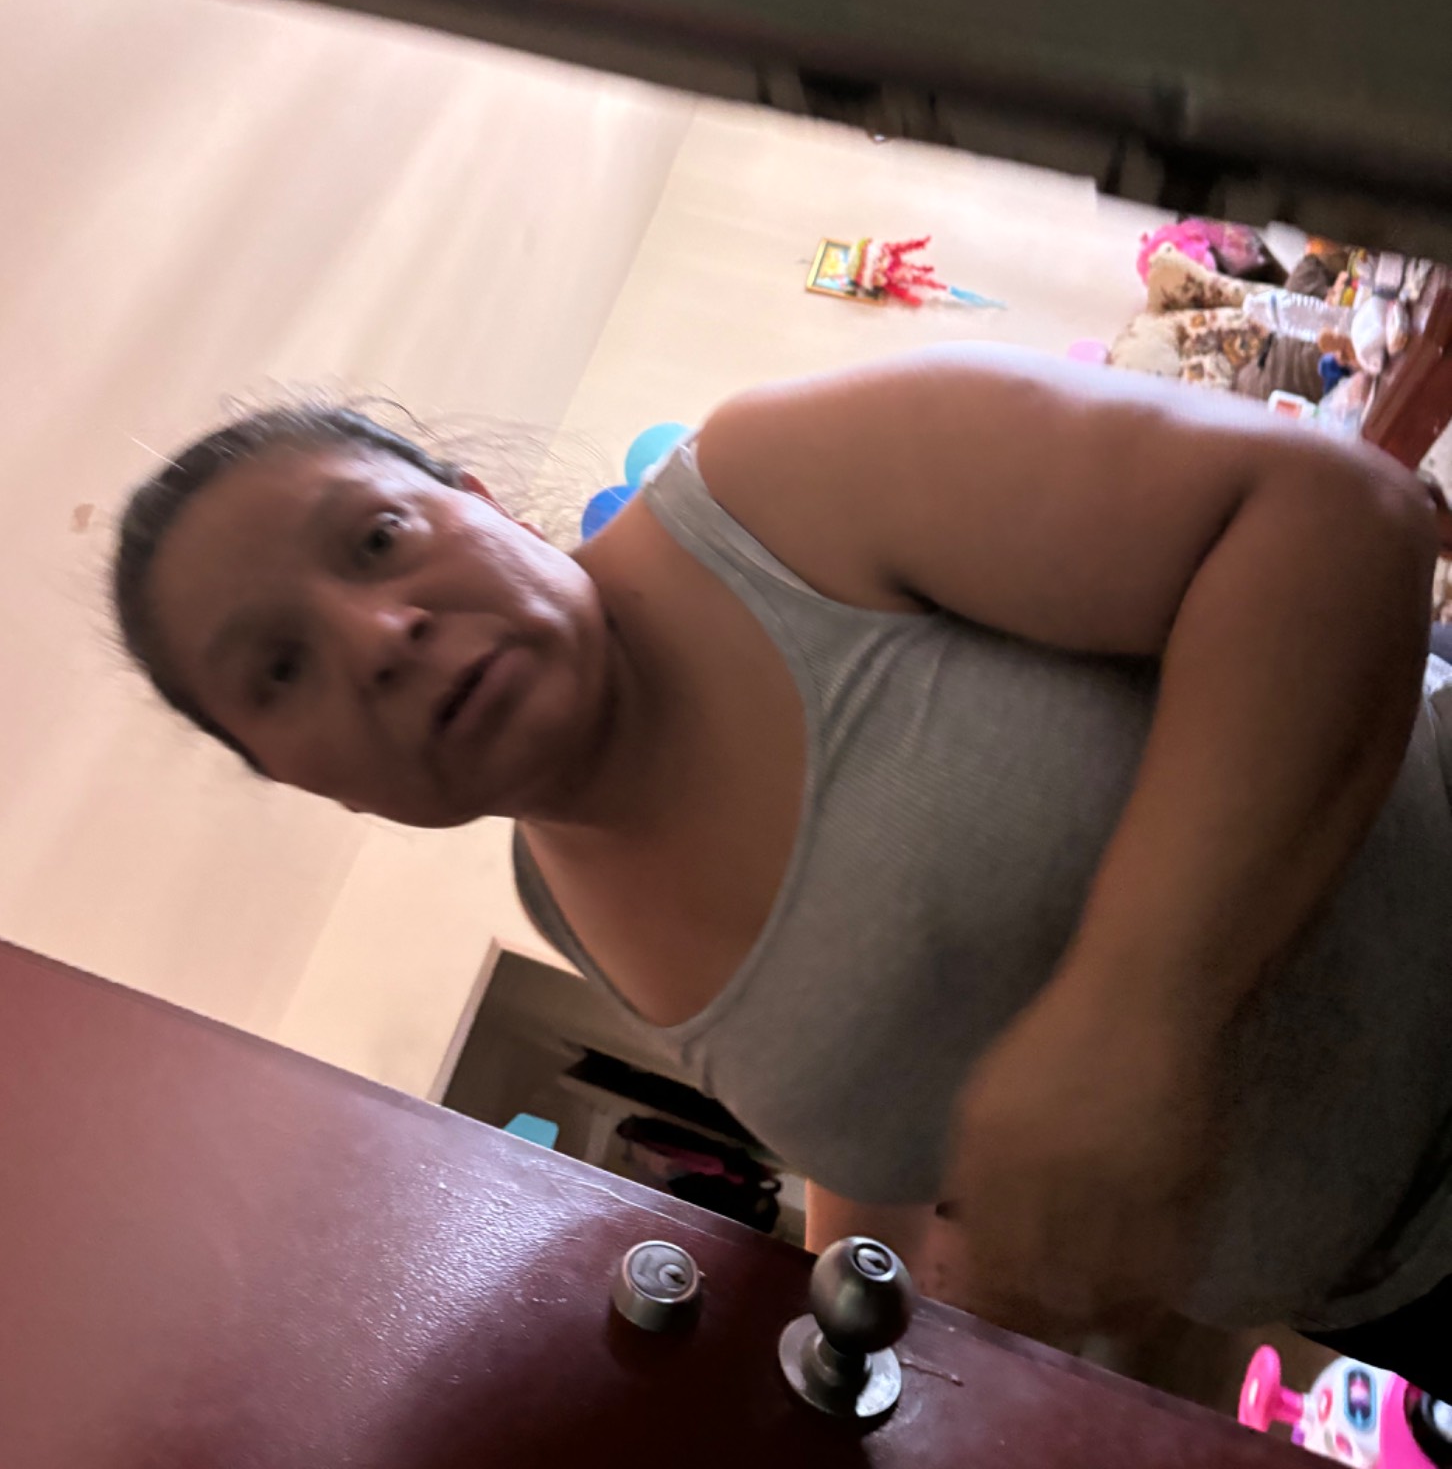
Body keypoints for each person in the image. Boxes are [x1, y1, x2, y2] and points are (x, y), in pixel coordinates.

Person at [112, 348, 1452, 1389]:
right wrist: (876, 1306)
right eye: (279, 668)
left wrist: (1135, 1012)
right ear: (305, 783)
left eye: (376, 539)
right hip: (1392, 1300)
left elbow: (1338, 515)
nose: (379, 634)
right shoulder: (559, 899)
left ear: (478, 505)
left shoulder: (776, 490)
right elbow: (870, 1094)